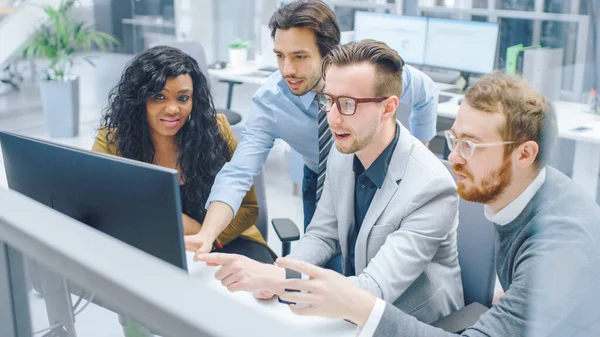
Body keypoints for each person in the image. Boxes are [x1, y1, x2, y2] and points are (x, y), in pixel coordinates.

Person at [274, 71, 600, 337]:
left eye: (470, 145)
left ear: (525, 154)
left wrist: (361, 306)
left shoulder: (559, 246)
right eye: (454, 140)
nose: (453, 158)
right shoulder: (529, 187)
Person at [195, 40, 463, 325]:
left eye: (347, 104)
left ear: (388, 108)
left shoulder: (431, 188)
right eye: (328, 100)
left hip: (415, 322)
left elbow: (373, 290)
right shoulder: (344, 150)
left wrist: (278, 280)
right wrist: (281, 273)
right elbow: (323, 234)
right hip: (353, 312)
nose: (333, 119)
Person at [184, 0, 440, 265]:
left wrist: (419, 150)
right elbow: (239, 172)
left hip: (381, 179)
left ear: (328, 53)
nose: (287, 70)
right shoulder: (272, 101)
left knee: (382, 265)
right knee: (323, 264)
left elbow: (427, 94)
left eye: (299, 56)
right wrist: (208, 232)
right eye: (280, 56)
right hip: (321, 181)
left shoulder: (371, 75)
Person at [92, 46, 274, 264]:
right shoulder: (112, 141)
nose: (172, 109)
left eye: (183, 98)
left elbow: (249, 207)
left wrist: (204, 234)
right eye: (159, 96)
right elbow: (101, 208)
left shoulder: (216, 130)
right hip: (151, 249)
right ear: (138, 99)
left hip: (226, 241)